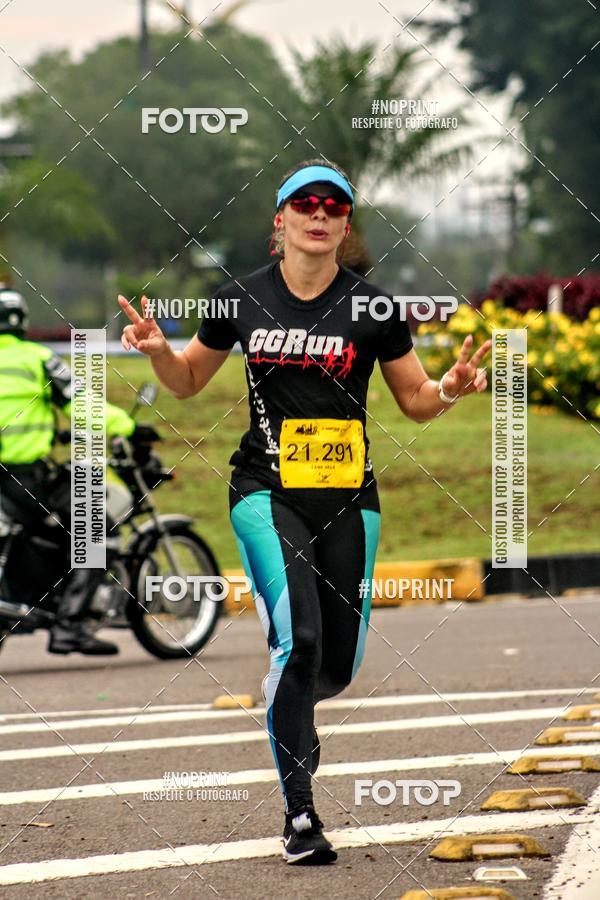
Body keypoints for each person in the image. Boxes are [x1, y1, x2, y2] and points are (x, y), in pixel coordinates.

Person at [118, 159, 491, 864]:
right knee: (303, 642)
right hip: (267, 492)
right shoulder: (237, 301)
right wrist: (162, 353)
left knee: (337, 667)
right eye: (305, 204)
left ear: (345, 226)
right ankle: (299, 817)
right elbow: (190, 381)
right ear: (279, 221)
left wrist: (449, 387)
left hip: (352, 500)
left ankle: (291, 703)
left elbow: (415, 401)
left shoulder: (377, 310)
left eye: (333, 206)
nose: (319, 215)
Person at [0, 286, 138, 655]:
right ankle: (69, 625)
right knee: (96, 524)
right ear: (22, 322)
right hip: (24, 478)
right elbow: (82, 403)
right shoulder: (37, 358)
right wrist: (125, 424)